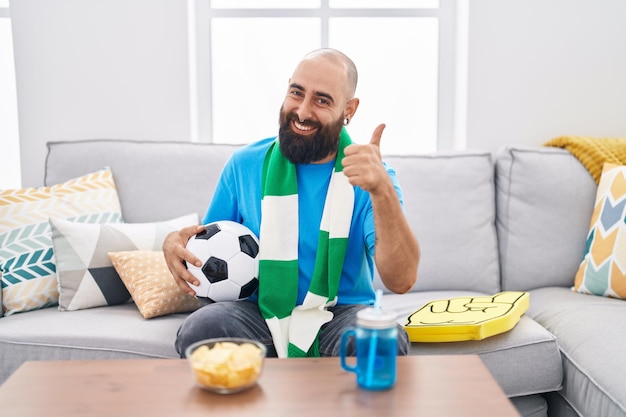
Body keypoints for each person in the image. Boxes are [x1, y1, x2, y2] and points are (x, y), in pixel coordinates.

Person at [163, 48, 420, 358]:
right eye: (296, 93)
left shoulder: (371, 176)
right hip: (259, 311)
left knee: (379, 339)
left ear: (349, 109)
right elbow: (207, 258)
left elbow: (402, 280)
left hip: (340, 313)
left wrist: (382, 191)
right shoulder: (244, 165)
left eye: (322, 100)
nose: (302, 111)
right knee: (202, 329)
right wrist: (172, 246)